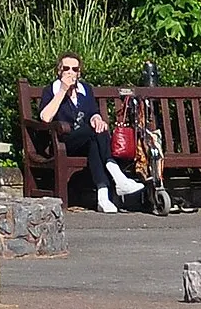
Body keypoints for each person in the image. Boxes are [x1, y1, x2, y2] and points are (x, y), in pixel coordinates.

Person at [39, 53, 144, 212]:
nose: (70, 72)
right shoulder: (51, 90)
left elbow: (93, 112)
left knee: (97, 134)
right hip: (63, 141)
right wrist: (63, 90)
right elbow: (45, 118)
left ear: (79, 73)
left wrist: (97, 118)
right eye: (66, 68)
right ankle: (118, 177)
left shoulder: (85, 89)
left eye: (74, 69)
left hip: (87, 140)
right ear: (59, 71)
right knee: (92, 132)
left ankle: (103, 197)